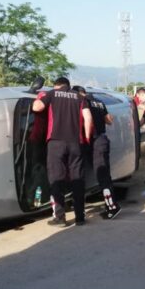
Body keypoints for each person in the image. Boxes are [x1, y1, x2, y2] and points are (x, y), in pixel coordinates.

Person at [33, 77, 93, 226]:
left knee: (56, 179)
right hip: (76, 143)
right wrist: (86, 139)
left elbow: (37, 108)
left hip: (56, 142)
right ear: (68, 85)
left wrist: (38, 97)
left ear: (56, 85)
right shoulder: (80, 97)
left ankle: (60, 217)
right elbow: (88, 118)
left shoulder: (52, 94)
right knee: (77, 179)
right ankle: (80, 217)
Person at [73, 86, 121, 220]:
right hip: (102, 139)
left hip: (93, 140)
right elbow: (109, 121)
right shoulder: (99, 102)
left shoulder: (83, 102)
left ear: (78, 94)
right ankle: (111, 204)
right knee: (105, 174)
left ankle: (112, 207)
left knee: (101, 175)